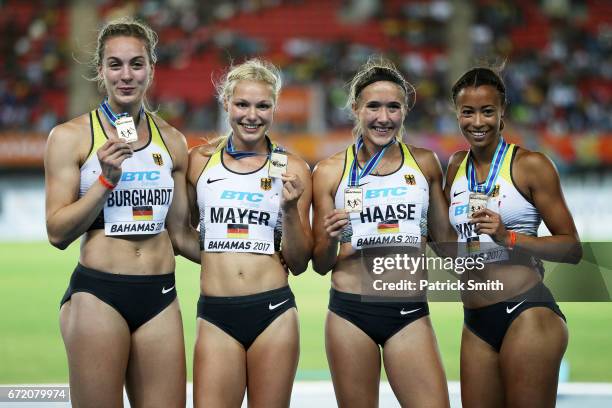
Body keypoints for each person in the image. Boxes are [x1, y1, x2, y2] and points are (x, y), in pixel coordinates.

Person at [44, 18, 197, 407]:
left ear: (151, 69)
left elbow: (180, 236)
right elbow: (57, 232)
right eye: (115, 65)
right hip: (100, 294)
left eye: (136, 64)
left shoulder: (173, 141)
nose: (126, 75)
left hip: (160, 295)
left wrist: (260, 255)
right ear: (101, 71)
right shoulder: (70, 137)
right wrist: (105, 181)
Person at [312, 56, 451, 407]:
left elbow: (448, 245)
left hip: (407, 310)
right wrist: (329, 237)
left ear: (405, 111)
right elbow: (320, 263)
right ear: (356, 107)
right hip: (349, 313)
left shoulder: (424, 163)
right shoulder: (329, 172)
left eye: (393, 107)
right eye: (373, 106)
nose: (383, 117)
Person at [445, 66, 582, 407]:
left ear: (502, 111)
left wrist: (510, 238)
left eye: (487, 111)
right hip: (475, 320)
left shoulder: (530, 165)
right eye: (468, 112)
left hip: (527, 313)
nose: (478, 122)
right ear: (457, 114)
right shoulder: (455, 166)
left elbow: (572, 248)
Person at [187, 58, 312, 408]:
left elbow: (301, 261)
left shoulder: (293, 167)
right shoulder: (200, 161)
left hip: (273, 311)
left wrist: (289, 210)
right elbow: (180, 231)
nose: (251, 115)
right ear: (226, 103)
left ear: (274, 108)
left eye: (262, 105)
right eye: (242, 104)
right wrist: (217, 251)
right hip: (215, 313)